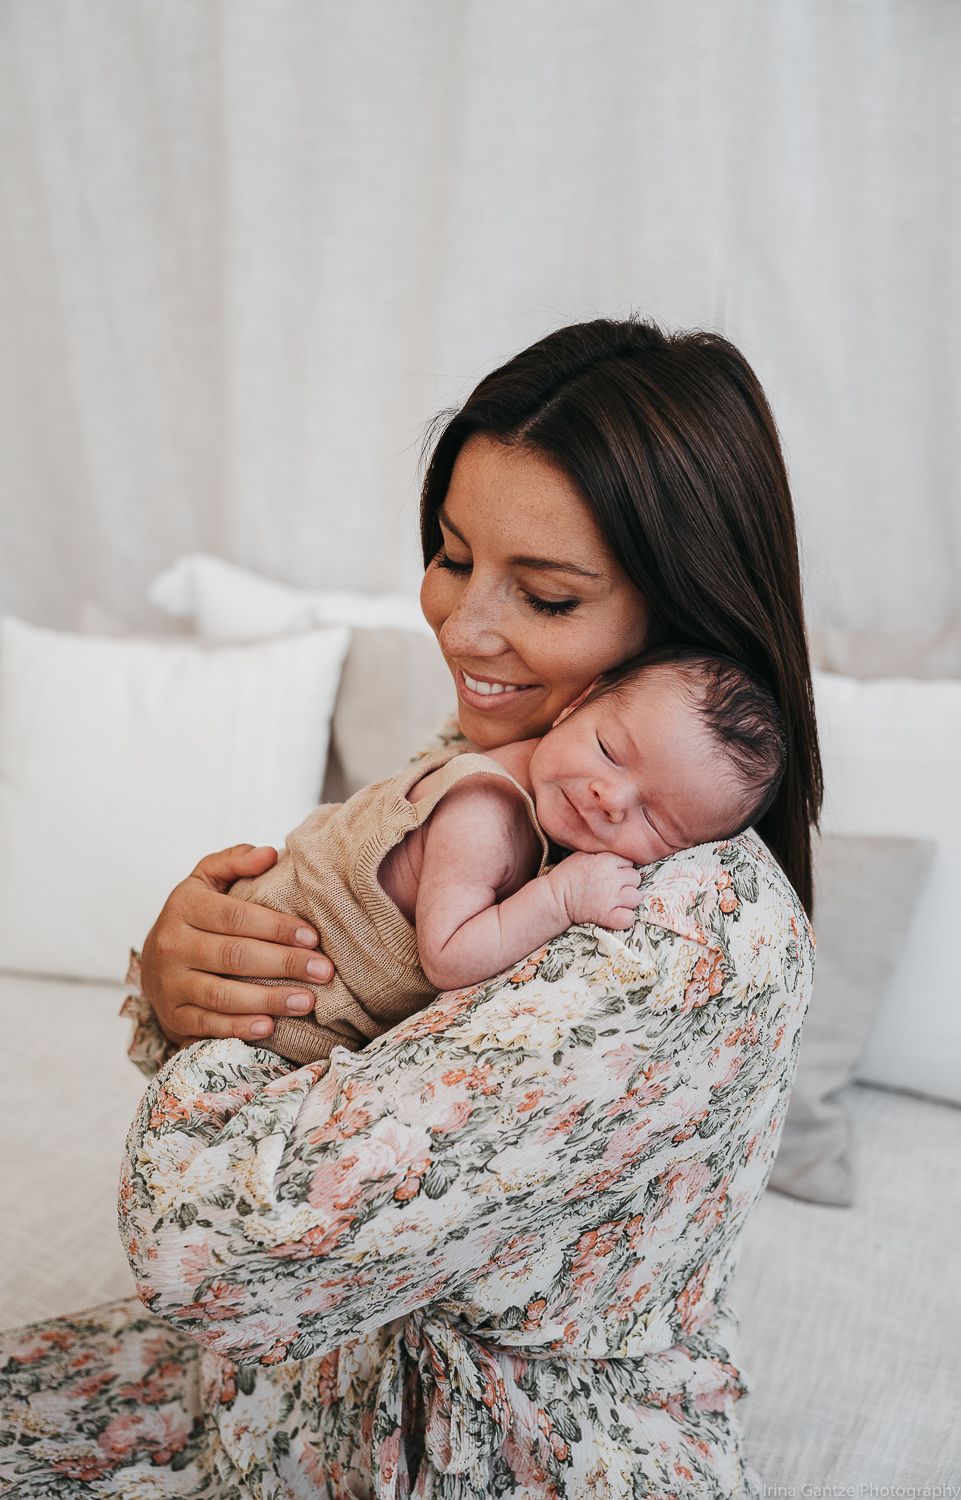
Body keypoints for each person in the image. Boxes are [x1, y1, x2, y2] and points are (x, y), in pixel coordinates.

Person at [0, 316, 820, 1499]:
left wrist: (218, 1047)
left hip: (481, 1451)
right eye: (449, 555)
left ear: (685, 611)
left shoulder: (676, 935)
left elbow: (217, 1248)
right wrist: (189, 975)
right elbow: (364, 984)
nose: (463, 628)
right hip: (303, 1385)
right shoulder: (531, 757)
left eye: (542, 595)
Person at [234, 644, 787, 1070]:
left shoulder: (551, 796)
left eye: (656, 820)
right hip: (274, 1000)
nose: (610, 798)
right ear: (577, 704)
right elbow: (448, 956)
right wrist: (561, 897)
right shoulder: (484, 809)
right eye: (608, 751)